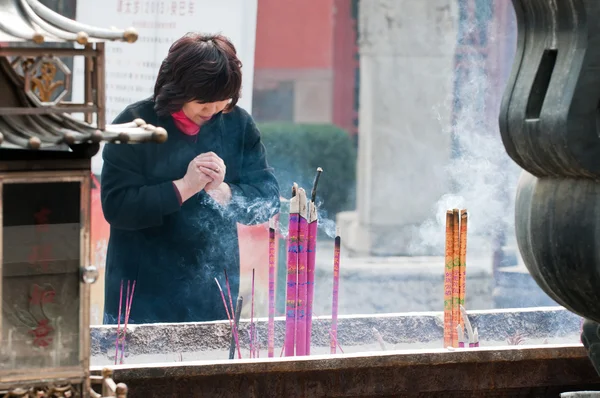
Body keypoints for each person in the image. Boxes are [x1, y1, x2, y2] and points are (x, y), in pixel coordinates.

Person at [100, 33, 280, 324]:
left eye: (221, 103)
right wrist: (183, 187)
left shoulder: (238, 123)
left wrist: (223, 191)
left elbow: (268, 198)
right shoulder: (134, 123)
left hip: (213, 288)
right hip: (141, 288)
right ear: (177, 89)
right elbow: (117, 207)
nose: (211, 112)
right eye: (203, 104)